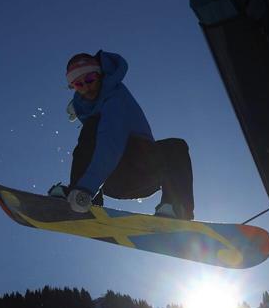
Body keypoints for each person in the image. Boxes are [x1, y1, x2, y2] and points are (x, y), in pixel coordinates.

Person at [50, 51, 195, 220]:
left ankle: (176, 208)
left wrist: (86, 188)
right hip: (113, 181)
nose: (86, 86)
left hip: (142, 170)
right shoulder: (85, 105)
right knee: (90, 134)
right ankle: (83, 199)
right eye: (78, 84)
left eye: (90, 79)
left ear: (100, 75)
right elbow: (87, 150)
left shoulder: (115, 100)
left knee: (175, 147)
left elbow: (110, 143)